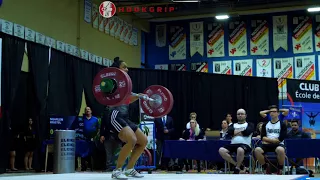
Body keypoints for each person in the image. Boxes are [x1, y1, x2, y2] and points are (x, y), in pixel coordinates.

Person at [102, 57, 148, 179]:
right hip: (114, 115)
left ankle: (129, 169)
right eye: (124, 67)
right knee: (131, 140)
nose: (127, 69)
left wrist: (138, 96)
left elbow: (126, 100)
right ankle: (117, 171)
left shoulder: (124, 85)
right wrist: (137, 96)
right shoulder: (111, 83)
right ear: (117, 69)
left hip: (125, 117)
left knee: (143, 141)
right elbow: (119, 99)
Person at [218, 109, 254, 174]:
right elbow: (230, 132)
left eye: (242, 114)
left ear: (245, 115)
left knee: (240, 149)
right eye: (238, 114)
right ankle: (238, 165)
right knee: (221, 150)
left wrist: (235, 132)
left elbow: (247, 132)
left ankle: (237, 169)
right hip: (233, 145)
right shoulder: (232, 125)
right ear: (236, 116)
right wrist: (242, 131)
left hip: (245, 145)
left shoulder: (250, 124)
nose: (240, 115)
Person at [254, 105, 287, 175]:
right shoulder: (265, 124)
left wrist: (269, 140)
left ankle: (280, 168)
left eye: (274, 112)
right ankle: (266, 167)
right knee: (257, 150)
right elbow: (262, 137)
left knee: (280, 150)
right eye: (271, 112)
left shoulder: (282, 124)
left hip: (278, 144)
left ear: (278, 113)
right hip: (267, 144)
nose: (272, 113)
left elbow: (281, 138)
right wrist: (272, 140)